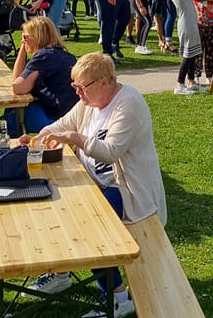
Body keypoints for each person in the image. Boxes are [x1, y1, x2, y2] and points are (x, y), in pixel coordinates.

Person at [28, 52, 166, 316]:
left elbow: (110, 151)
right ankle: (61, 272)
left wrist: (74, 138)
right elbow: (64, 122)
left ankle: (118, 298)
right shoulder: (90, 100)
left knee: (91, 228)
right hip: (97, 183)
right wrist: (37, 137)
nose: (78, 93)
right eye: (75, 86)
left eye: (82, 87)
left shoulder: (129, 103)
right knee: (58, 205)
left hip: (129, 190)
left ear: (104, 81)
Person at [9, 16, 77, 134]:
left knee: (14, 111)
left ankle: (10, 144)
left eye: (25, 37)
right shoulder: (66, 55)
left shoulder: (43, 57)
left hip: (56, 120)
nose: (23, 41)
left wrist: (22, 50)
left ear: (37, 38)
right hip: (71, 117)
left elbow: (17, 87)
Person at [168, 0, 205, 95]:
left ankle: (191, 81)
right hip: (187, 25)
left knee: (192, 53)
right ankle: (179, 83)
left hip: (188, 24)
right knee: (188, 56)